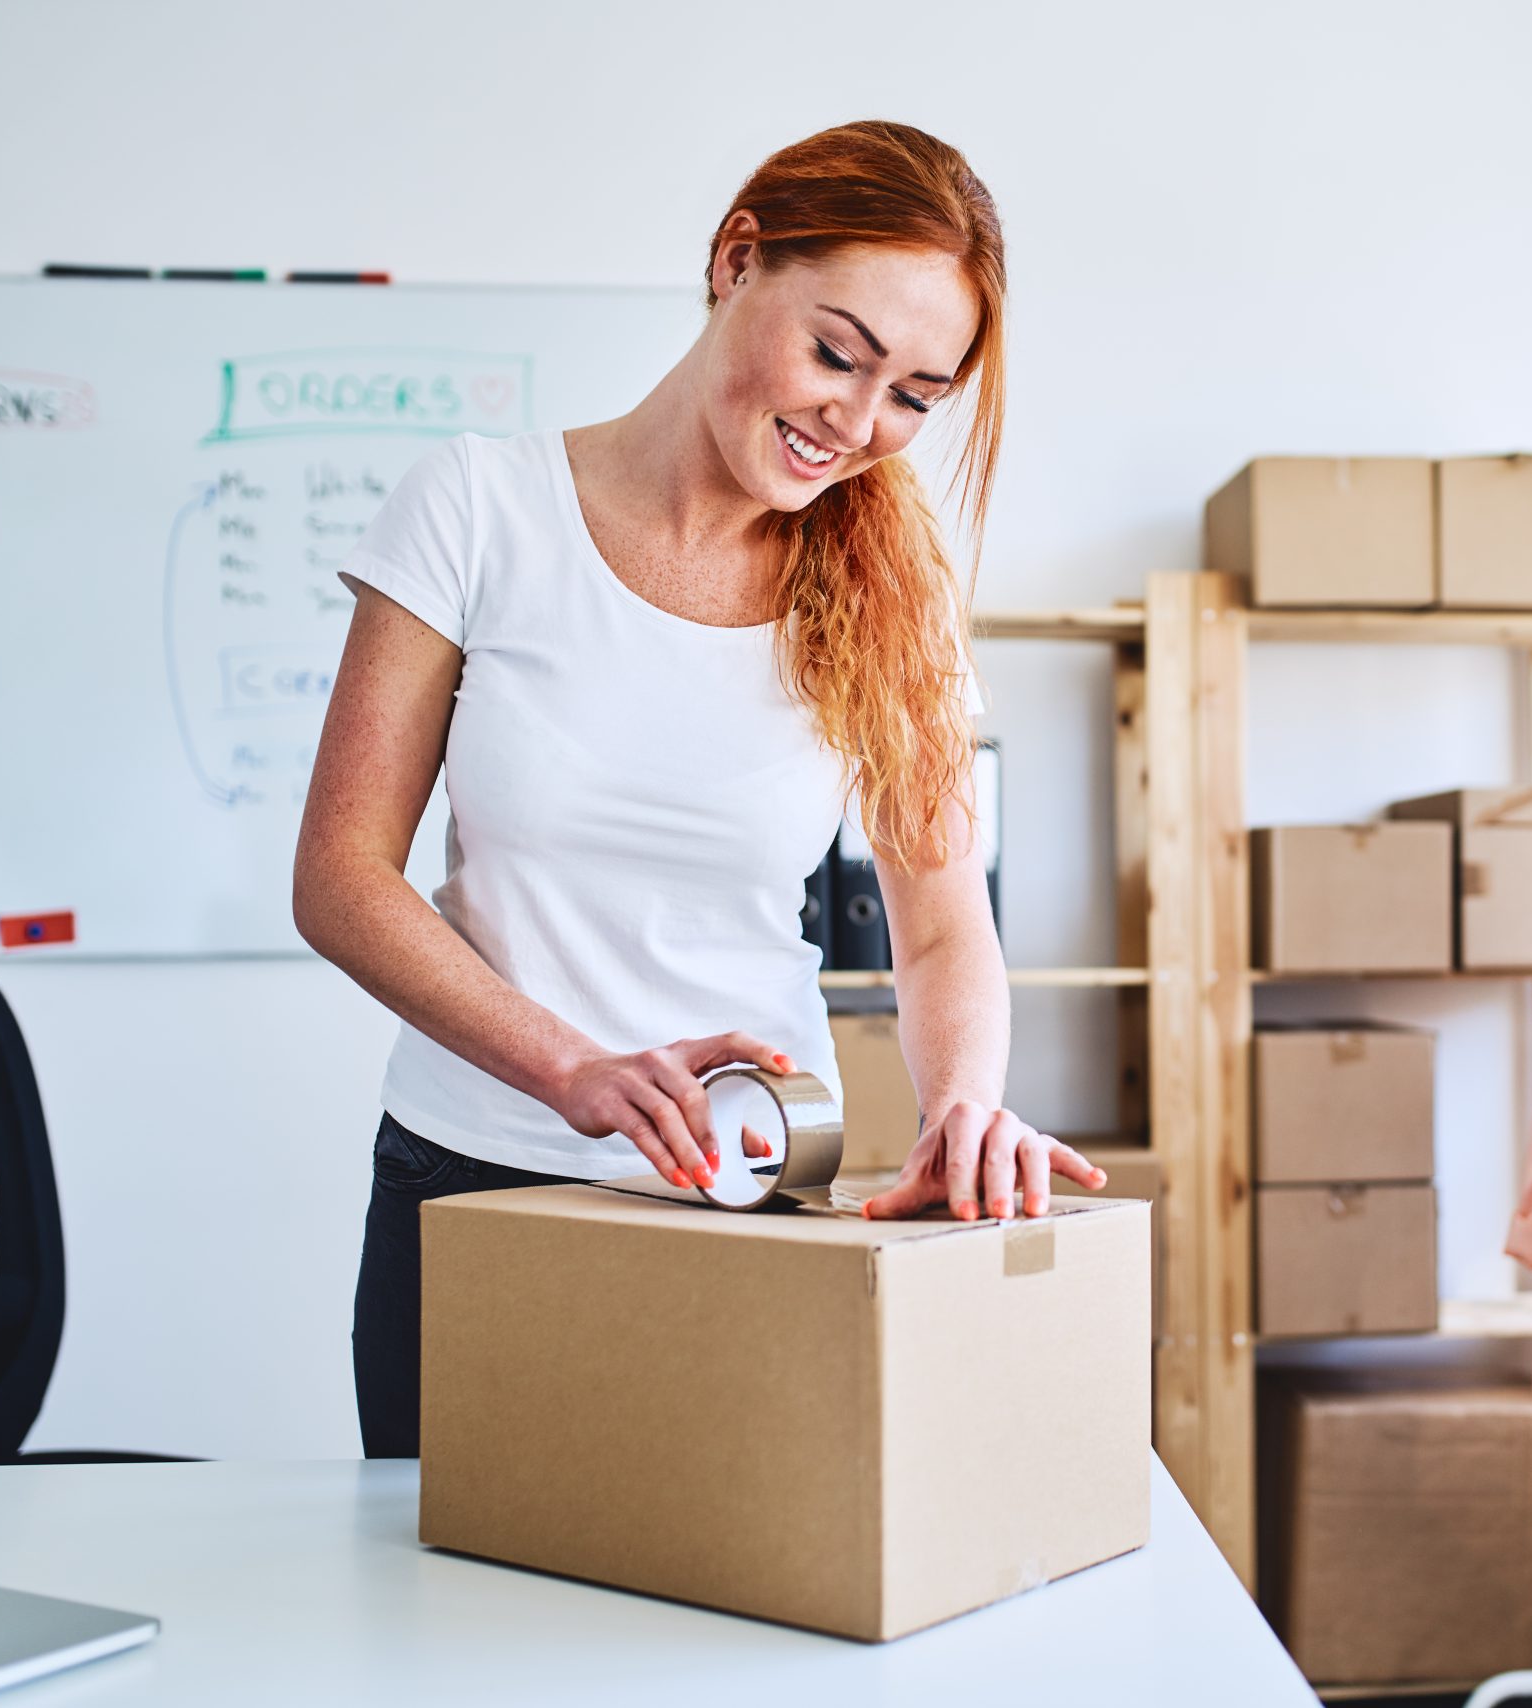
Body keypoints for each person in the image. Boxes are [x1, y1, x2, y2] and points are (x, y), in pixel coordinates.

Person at [293, 120, 1106, 1457]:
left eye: (912, 394)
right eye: (837, 352)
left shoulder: (897, 600)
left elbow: (946, 924)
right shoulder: (480, 508)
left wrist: (963, 1101)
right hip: (472, 1175)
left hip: (753, 1189)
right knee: (461, 1640)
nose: (856, 422)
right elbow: (339, 879)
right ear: (738, 260)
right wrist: (575, 1070)